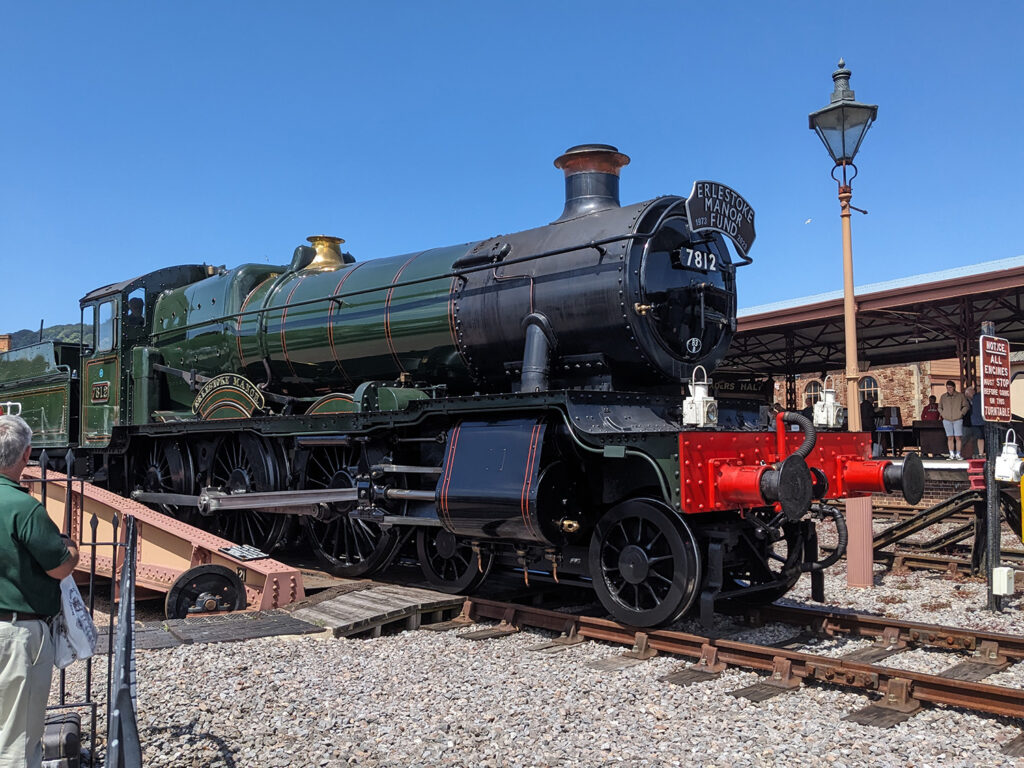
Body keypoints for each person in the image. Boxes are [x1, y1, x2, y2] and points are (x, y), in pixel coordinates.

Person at [0, 415, 79, 768]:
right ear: (26, 454)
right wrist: (72, 548)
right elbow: (60, 566)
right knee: (18, 743)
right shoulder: (24, 507)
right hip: (18, 632)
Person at [938, 380, 969, 460]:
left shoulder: (960, 396)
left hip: (957, 419)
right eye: (947, 387)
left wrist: (961, 413)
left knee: (958, 437)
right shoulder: (943, 397)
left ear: (954, 387)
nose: (948, 389)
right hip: (947, 419)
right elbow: (939, 407)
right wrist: (943, 414)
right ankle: (951, 453)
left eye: (950, 387)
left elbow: (966, 406)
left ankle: (958, 453)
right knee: (950, 437)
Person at [962, 385, 986, 458]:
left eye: (978, 386)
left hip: (982, 420)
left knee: (983, 437)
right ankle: (980, 453)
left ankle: (982, 453)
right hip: (974, 422)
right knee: (979, 437)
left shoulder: (981, 396)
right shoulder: (970, 399)